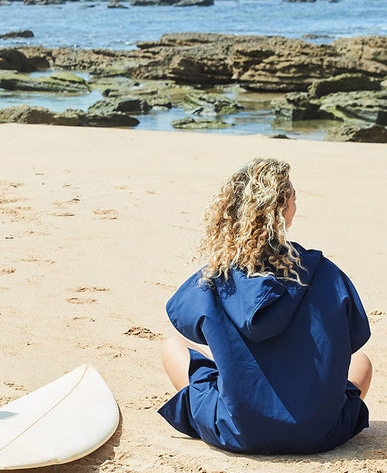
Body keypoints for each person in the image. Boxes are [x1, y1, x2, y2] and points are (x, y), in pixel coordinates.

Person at [159, 158, 373, 455]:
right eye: (294, 199)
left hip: (241, 431)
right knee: (362, 363)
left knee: (172, 347)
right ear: (283, 210)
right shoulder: (325, 272)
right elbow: (353, 338)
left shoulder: (218, 276)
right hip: (319, 433)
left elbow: (182, 318)